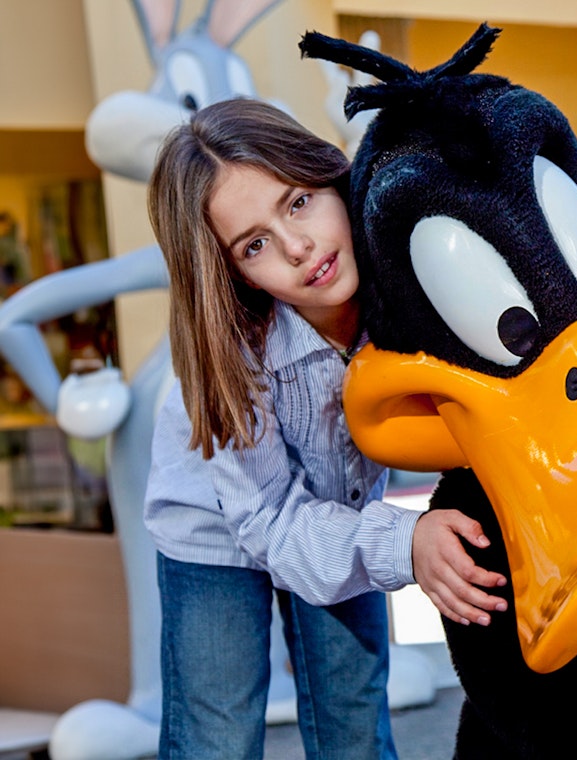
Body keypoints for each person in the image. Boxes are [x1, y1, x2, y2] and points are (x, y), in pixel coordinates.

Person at [144, 97, 507, 758]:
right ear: (232, 272)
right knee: (217, 732)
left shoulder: (405, 278)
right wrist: (406, 542)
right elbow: (270, 524)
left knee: (353, 721)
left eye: (298, 202)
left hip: (338, 516)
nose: (297, 247)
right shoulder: (237, 355)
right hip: (220, 527)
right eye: (255, 245)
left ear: (329, 176)